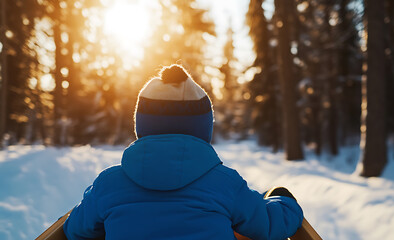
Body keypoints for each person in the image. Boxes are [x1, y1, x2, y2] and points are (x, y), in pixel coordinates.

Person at [63, 64, 303, 240]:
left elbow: (74, 229)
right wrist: (286, 202)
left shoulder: (109, 184)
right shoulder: (225, 184)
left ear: (142, 125)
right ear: (203, 128)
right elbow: (270, 225)